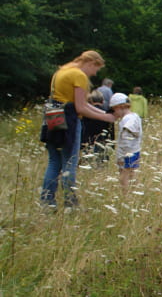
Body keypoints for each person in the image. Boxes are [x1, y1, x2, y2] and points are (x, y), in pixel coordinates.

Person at [40, 50, 116, 208]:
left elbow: (81, 103)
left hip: (53, 117)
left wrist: (103, 112)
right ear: (91, 63)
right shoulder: (79, 76)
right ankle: (70, 203)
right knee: (70, 162)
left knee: (54, 161)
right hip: (68, 121)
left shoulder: (62, 71)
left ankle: (47, 203)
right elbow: (80, 108)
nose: (94, 73)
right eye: (96, 69)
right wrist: (106, 118)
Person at [109, 93, 142, 195]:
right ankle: (134, 194)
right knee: (132, 175)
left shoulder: (127, 120)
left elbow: (126, 139)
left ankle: (126, 196)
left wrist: (121, 157)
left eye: (114, 110)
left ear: (120, 107)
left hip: (127, 153)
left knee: (124, 177)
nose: (115, 113)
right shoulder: (135, 116)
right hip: (135, 151)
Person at [81, 89, 112, 163]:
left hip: (88, 141)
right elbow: (110, 131)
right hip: (102, 141)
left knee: (86, 163)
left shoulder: (86, 114)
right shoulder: (106, 114)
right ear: (102, 101)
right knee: (101, 163)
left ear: (91, 100)